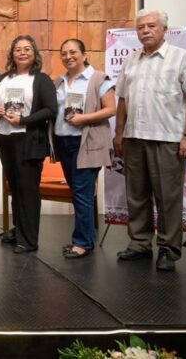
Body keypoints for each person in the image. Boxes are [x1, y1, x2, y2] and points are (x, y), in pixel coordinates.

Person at [114, 10, 186, 271]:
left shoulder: (182, 58)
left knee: (168, 198)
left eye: (151, 26)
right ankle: (140, 244)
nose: (145, 30)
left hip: (167, 139)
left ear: (164, 30)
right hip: (134, 138)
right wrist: (119, 134)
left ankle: (168, 250)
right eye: (141, 27)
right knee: (136, 195)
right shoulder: (131, 59)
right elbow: (123, 100)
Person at [0, 35, 57, 254]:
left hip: (29, 140)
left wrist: (24, 120)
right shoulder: (2, 79)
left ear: (34, 54)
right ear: (12, 54)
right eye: (18, 49)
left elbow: (51, 110)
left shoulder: (42, 80)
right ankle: (19, 230)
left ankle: (28, 240)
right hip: (5, 138)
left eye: (27, 49)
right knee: (15, 188)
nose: (22, 53)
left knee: (28, 190)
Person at [52, 39, 115, 258]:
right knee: (78, 192)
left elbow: (111, 109)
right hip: (63, 142)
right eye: (64, 53)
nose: (68, 56)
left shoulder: (98, 78)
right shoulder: (59, 82)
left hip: (87, 142)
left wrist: (84, 118)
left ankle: (81, 243)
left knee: (82, 193)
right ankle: (87, 238)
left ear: (84, 54)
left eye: (73, 52)